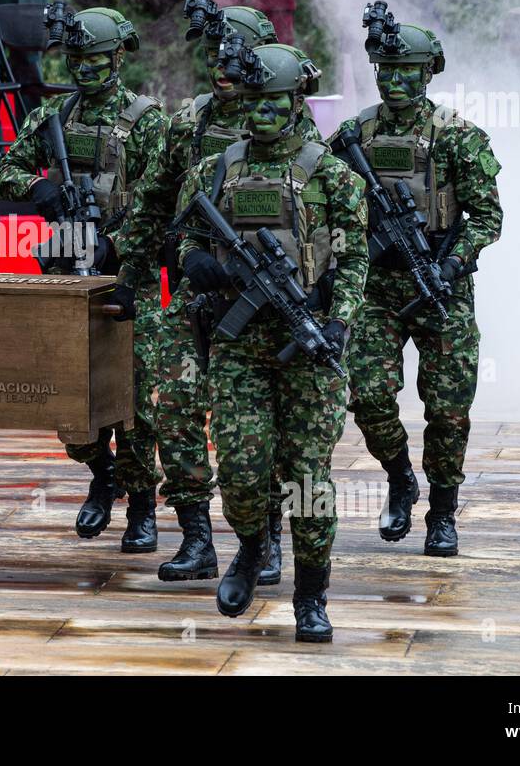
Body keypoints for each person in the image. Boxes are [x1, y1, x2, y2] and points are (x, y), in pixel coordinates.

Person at [116, 1, 323, 585]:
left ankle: (269, 540)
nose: (220, 67)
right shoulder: (187, 122)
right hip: (199, 289)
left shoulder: (292, 124)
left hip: (269, 298)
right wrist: (136, 277)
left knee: (271, 427)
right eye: (211, 55)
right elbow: (154, 204)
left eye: (233, 56)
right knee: (174, 409)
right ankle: (197, 536)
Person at [175, 41, 368, 639]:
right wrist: (197, 264)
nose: (259, 113)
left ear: (296, 102)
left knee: (306, 477)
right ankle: (251, 547)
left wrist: (338, 319)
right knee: (240, 468)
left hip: (308, 346)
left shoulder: (330, 172)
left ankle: (311, 595)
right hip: (237, 345)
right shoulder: (218, 167)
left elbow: (357, 258)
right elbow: (184, 235)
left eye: (272, 102)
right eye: (251, 101)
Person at [328, 14, 502, 561]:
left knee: (448, 410)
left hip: (440, 287)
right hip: (376, 288)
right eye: (386, 69)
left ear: (428, 72)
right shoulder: (355, 135)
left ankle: (443, 512)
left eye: (407, 70)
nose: (395, 80)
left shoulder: (457, 136)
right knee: (370, 396)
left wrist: (450, 264)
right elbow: (321, 192)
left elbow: (487, 217)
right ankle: (400, 477)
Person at [0, 5, 167, 553]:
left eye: (95, 57)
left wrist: (118, 243)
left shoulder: (147, 120)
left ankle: (142, 506)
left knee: (133, 403)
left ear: (118, 56)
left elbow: (161, 201)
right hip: (67, 276)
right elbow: (6, 171)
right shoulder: (51, 117)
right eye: (76, 58)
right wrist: (40, 190)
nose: (85, 67)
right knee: (68, 396)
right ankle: (101, 472)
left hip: (125, 274)